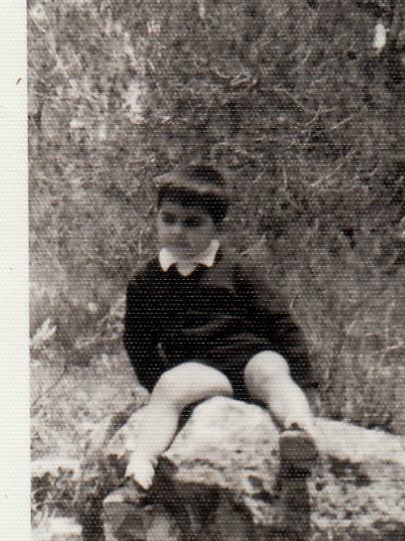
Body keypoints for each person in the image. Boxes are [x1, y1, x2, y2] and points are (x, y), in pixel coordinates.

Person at [122, 164, 319, 490]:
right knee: (170, 386)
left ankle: (298, 431)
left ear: (217, 226)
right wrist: (161, 386)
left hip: (251, 358)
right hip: (201, 370)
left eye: (192, 223)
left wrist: (306, 381)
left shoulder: (237, 270)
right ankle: (139, 471)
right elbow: (138, 341)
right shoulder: (146, 281)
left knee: (272, 372)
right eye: (168, 219)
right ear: (155, 217)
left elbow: (281, 322)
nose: (178, 231)